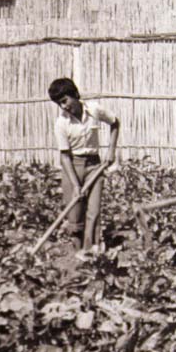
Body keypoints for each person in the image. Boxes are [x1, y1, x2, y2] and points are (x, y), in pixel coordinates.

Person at [49, 77, 120, 251]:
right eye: (60, 104)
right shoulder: (61, 123)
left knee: (94, 210)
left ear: (75, 95)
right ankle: (77, 252)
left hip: (95, 165)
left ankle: (91, 250)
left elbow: (115, 123)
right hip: (73, 167)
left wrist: (111, 150)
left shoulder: (94, 110)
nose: (64, 106)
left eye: (65, 100)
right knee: (75, 212)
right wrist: (75, 185)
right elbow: (65, 157)